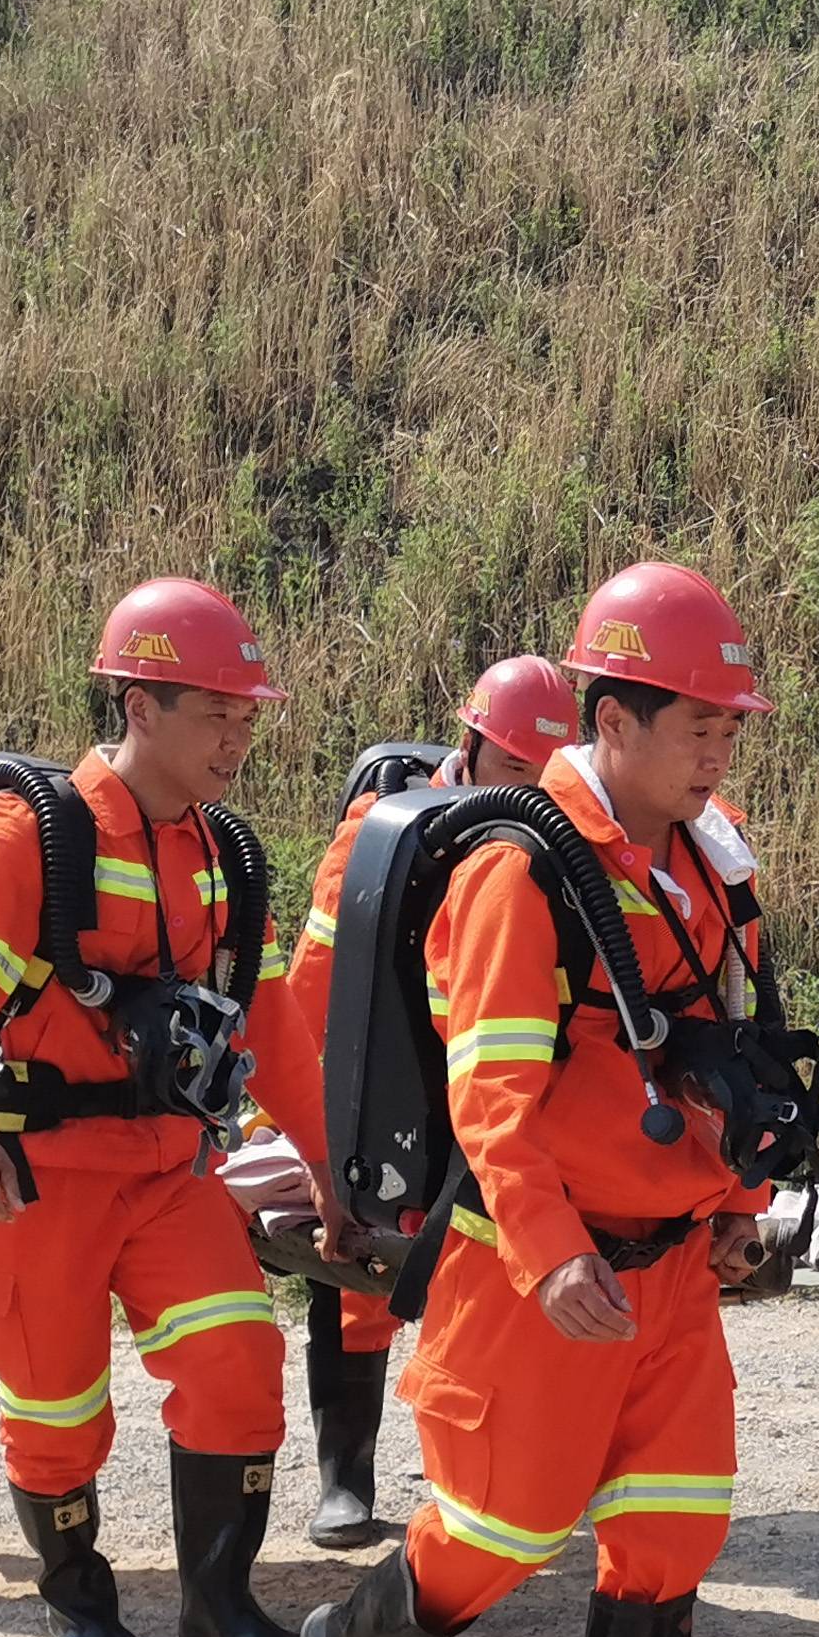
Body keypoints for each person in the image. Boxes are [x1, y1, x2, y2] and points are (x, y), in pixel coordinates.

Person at [291, 563, 788, 1637]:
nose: (719, 752)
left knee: (677, 1512)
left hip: (671, 1266)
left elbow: (732, 1053)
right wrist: (551, 1248)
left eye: (731, 727)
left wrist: (739, 1200)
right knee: (502, 1528)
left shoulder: (711, 867)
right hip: (532, 1273)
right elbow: (491, 1096)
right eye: (700, 726)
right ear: (611, 720)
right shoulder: (523, 872)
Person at [0, 578, 296, 1637]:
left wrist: (333, 1164)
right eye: (218, 713)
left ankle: (220, 1607)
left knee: (239, 1364)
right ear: (140, 707)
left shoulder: (220, 852)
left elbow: (268, 1020)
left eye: (249, 716)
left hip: (167, 1170)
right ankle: (82, 1603)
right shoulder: (29, 835)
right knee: (57, 1411)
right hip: (31, 1180)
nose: (237, 738)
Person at [246, 652, 575, 1549]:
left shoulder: (563, 844)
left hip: (497, 1068)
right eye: (516, 771)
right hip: (384, 1073)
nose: (532, 796)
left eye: (549, 777)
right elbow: (314, 984)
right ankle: (343, 1478)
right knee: (358, 1276)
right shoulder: (382, 836)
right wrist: (302, 1119)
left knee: (501, 1271)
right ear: (469, 746)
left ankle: (502, 1483)